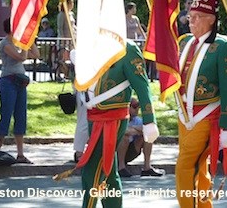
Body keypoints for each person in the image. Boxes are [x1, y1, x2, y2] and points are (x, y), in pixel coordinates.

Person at [55, 40, 160, 208]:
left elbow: (142, 85)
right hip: (93, 115)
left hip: (113, 117)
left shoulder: (127, 48)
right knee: (109, 172)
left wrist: (149, 120)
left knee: (92, 170)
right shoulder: (91, 43)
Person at [175, 0, 227, 208]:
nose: (190, 20)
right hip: (185, 117)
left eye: (197, 16)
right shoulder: (186, 42)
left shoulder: (223, 47)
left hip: (206, 117)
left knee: (185, 167)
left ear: (211, 20)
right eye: (190, 15)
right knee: (200, 170)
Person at [0, 18, 40, 164]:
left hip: (20, 82)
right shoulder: (6, 43)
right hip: (8, 81)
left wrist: (29, 39)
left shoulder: (18, 43)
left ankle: (20, 154)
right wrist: (25, 46)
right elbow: (21, 57)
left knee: (21, 116)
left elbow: (36, 54)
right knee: (6, 114)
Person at [117, 97, 164, 177]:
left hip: (132, 151)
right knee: (124, 138)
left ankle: (147, 167)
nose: (137, 109)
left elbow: (147, 129)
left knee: (147, 136)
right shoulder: (119, 119)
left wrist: (132, 129)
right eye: (134, 106)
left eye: (138, 107)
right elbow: (122, 131)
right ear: (127, 107)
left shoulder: (138, 120)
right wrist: (135, 130)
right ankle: (121, 167)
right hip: (116, 153)